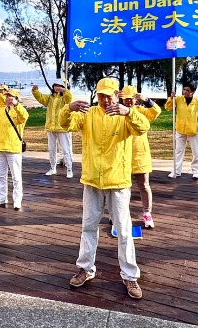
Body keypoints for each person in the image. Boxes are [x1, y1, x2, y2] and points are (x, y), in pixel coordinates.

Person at [59, 77, 149, 300]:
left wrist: (129, 113)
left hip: (117, 182)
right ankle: (86, 268)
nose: (105, 99)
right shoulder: (88, 114)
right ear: (96, 95)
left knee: (124, 230)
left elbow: (143, 127)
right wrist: (67, 108)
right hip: (91, 181)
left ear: (117, 94)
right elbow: (65, 124)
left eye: (109, 95)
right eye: (100, 95)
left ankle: (130, 275)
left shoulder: (125, 115)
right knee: (88, 226)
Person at [119, 86, 161, 228]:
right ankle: (120, 213)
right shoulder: (118, 111)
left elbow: (156, 112)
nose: (129, 101)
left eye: (131, 98)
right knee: (122, 188)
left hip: (140, 155)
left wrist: (146, 100)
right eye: (126, 99)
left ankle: (147, 213)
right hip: (122, 155)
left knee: (144, 185)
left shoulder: (141, 111)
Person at [0, 88, 28, 210]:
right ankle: (2, 197)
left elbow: (25, 116)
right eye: (7, 96)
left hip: (13, 148)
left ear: (16, 99)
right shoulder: (0, 110)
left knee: (16, 176)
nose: (8, 98)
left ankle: (17, 199)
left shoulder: (19, 112)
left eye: (12, 96)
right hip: (0, 147)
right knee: (1, 175)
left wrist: (16, 105)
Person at [32, 79, 74, 178]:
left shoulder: (65, 97)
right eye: (55, 85)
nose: (56, 87)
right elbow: (41, 98)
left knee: (65, 149)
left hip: (62, 127)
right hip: (50, 127)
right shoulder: (50, 97)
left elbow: (70, 98)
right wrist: (35, 91)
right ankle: (52, 168)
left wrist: (64, 90)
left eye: (59, 85)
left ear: (63, 87)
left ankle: (69, 169)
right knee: (51, 149)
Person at [164, 83, 198, 180]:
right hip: (180, 130)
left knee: (196, 152)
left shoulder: (197, 103)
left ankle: (196, 171)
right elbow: (168, 107)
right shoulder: (178, 99)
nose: (185, 92)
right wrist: (171, 98)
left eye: (187, 90)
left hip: (193, 131)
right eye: (184, 89)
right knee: (178, 151)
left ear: (193, 91)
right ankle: (176, 171)